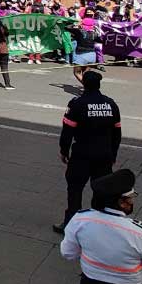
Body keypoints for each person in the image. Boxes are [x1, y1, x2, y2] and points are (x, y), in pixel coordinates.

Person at [53, 70, 121, 234]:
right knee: (101, 191)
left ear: (84, 84)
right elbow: (117, 133)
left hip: (82, 155)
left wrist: (64, 150)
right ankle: (99, 225)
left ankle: (71, 224)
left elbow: (67, 131)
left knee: (75, 190)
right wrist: (113, 154)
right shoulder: (111, 104)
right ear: (99, 85)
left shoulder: (77, 103)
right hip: (104, 155)